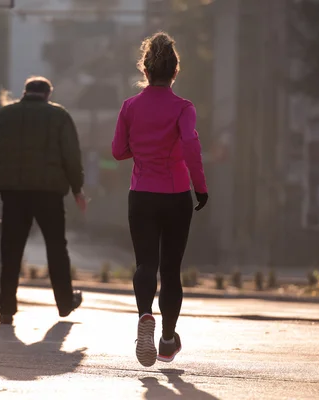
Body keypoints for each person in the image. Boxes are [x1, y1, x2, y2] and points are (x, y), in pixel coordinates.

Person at [111, 33, 209, 367]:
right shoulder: (184, 108)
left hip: (141, 194)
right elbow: (191, 147)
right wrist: (201, 187)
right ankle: (167, 340)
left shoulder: (130, 106)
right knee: (171, 269)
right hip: (177, 194)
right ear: (174, 71)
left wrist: (140, 151)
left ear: (146, 69)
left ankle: (143, 316)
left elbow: (117, 151)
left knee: (145, 264)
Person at [0, 76, 86, 325]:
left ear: (25, 92)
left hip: (13, 194)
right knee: (56, 247)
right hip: (49, 194)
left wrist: (8, 167)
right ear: (47, 94)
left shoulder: (4, 115)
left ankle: (6, 308)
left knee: (11, 249)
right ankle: (64, 303)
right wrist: (77, 189)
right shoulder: (59, 116)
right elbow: (71, 156)